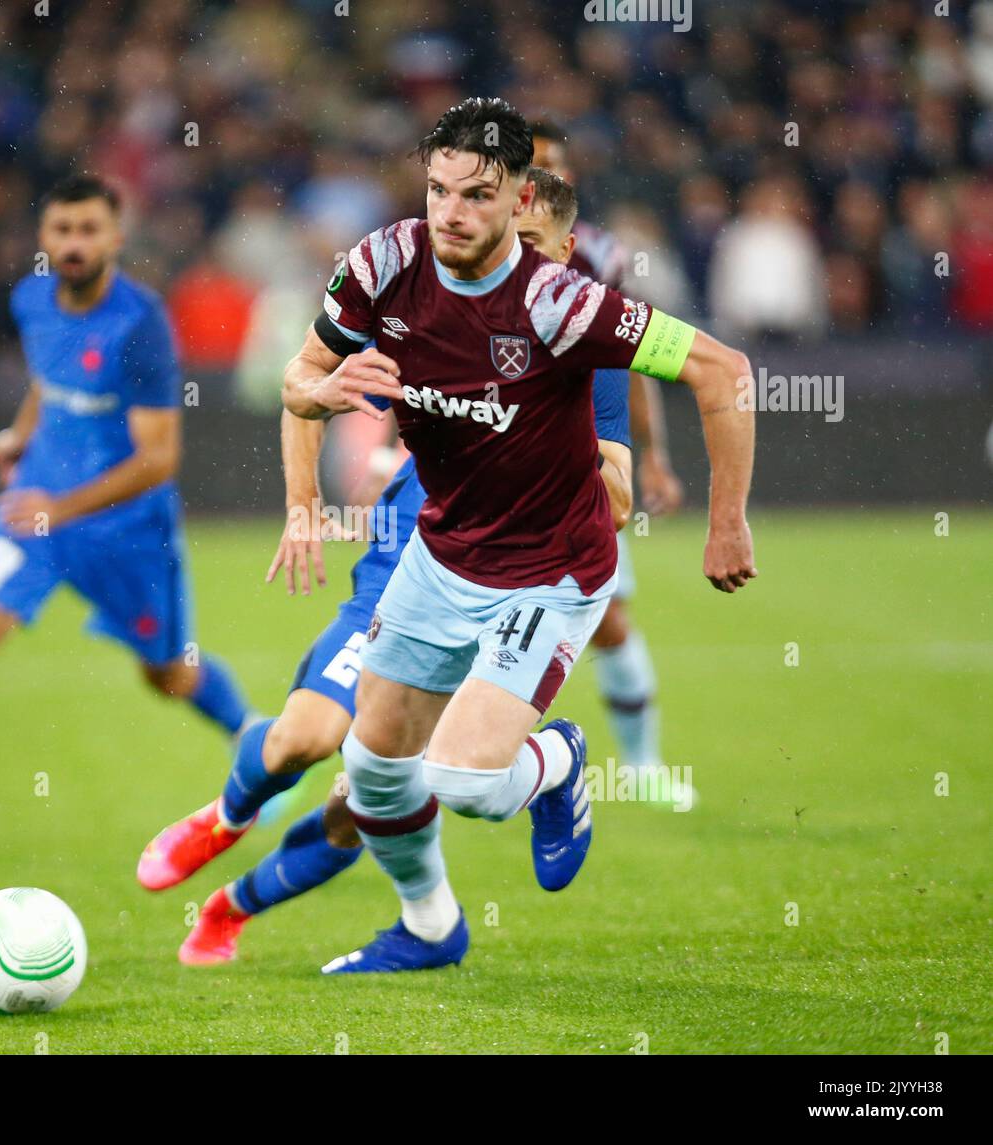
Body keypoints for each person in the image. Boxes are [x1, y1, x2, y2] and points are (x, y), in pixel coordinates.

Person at [281, 98, 756, 974]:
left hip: (551, 572)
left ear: (519, 200)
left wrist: (727, 521)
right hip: (441, 553)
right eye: (438, 191)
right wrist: (324, 389)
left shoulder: (558, 301)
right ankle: (429, 927)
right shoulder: (382, 262)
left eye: (476, 196)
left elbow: (723, 368)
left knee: (461, 780)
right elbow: (298, 379)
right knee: (373, 766)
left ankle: (558, 762)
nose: (451, 214)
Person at [0, 175, 251, 859]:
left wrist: (59, 508)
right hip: (34, 509)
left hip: (123, 532)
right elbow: (49, 380)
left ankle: (253, 736)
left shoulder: (141, 326)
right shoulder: (31, 299)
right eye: (62, 230)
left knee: (168, 674)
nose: (75, 243)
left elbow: (159, 459)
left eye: (90, 230)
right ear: (43, 238)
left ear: (116, 237)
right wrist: (21, 433)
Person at [532, 119, 687, 798]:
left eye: (552, 165)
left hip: (582, 459)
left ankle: (644, 766)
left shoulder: (600, 256)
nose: (541, 177)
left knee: (608, 618)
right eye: (527, 165)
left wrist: (651, 454)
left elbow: (636, 356)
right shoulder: (466, 246)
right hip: (487, 467)